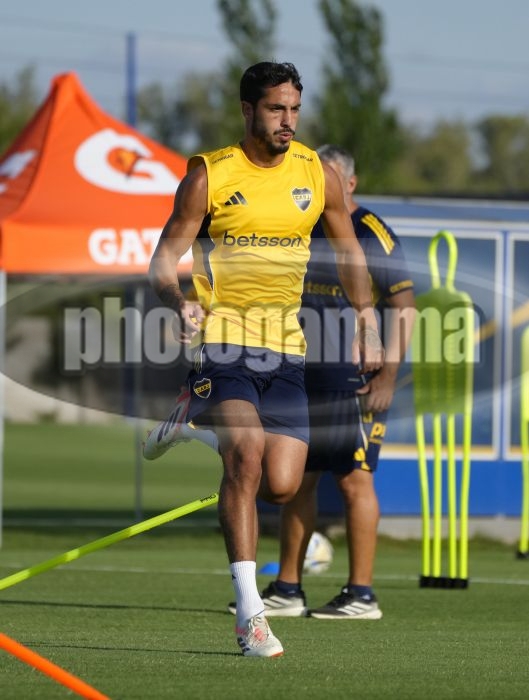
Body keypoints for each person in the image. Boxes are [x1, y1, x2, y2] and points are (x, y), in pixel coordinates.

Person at [147, 63, 384, 658]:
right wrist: (178, 301)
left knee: (280, 485)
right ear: (247, 109)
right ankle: (252, 615)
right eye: (277, 109)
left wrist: (368, 319)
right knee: (246, 457)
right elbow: (163, 259)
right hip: (223, 343)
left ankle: (195, 421)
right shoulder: (209, 175)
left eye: (294, 109)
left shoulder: (318, 173)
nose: (288, 121)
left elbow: (350, 253)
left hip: (287, 351)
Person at [244, 144, 416, 620]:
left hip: (354, 380)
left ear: (350, 183)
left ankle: (361, 594)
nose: (318, 184)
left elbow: (405, 307)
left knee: (354, 480)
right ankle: (288, 588)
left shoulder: (371, 231)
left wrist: (387, 375)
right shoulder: (303, 223)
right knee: (298, 481)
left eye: (329, 177)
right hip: (301, 375)